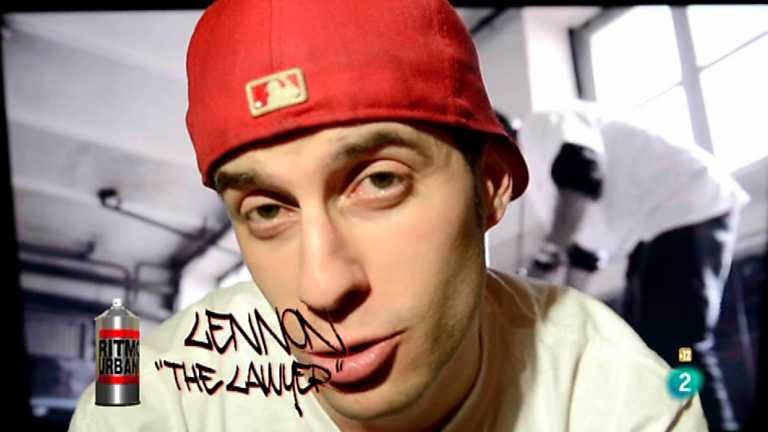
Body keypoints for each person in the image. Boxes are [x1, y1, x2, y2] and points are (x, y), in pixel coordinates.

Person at [68, 1, 707, 430]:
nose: (321, 287)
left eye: (379, 181)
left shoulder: (623, 404)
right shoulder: (156, 403)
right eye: (266, 209)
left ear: (492, 186)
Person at [519, 101, 749, 431]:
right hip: (655, 227)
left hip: (684, 205)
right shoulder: (539, 185)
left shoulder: (538, 127)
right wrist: (559, 315)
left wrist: (547, 254)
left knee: (679, 342)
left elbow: (582, 170)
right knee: (647, 345)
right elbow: (584, 252)